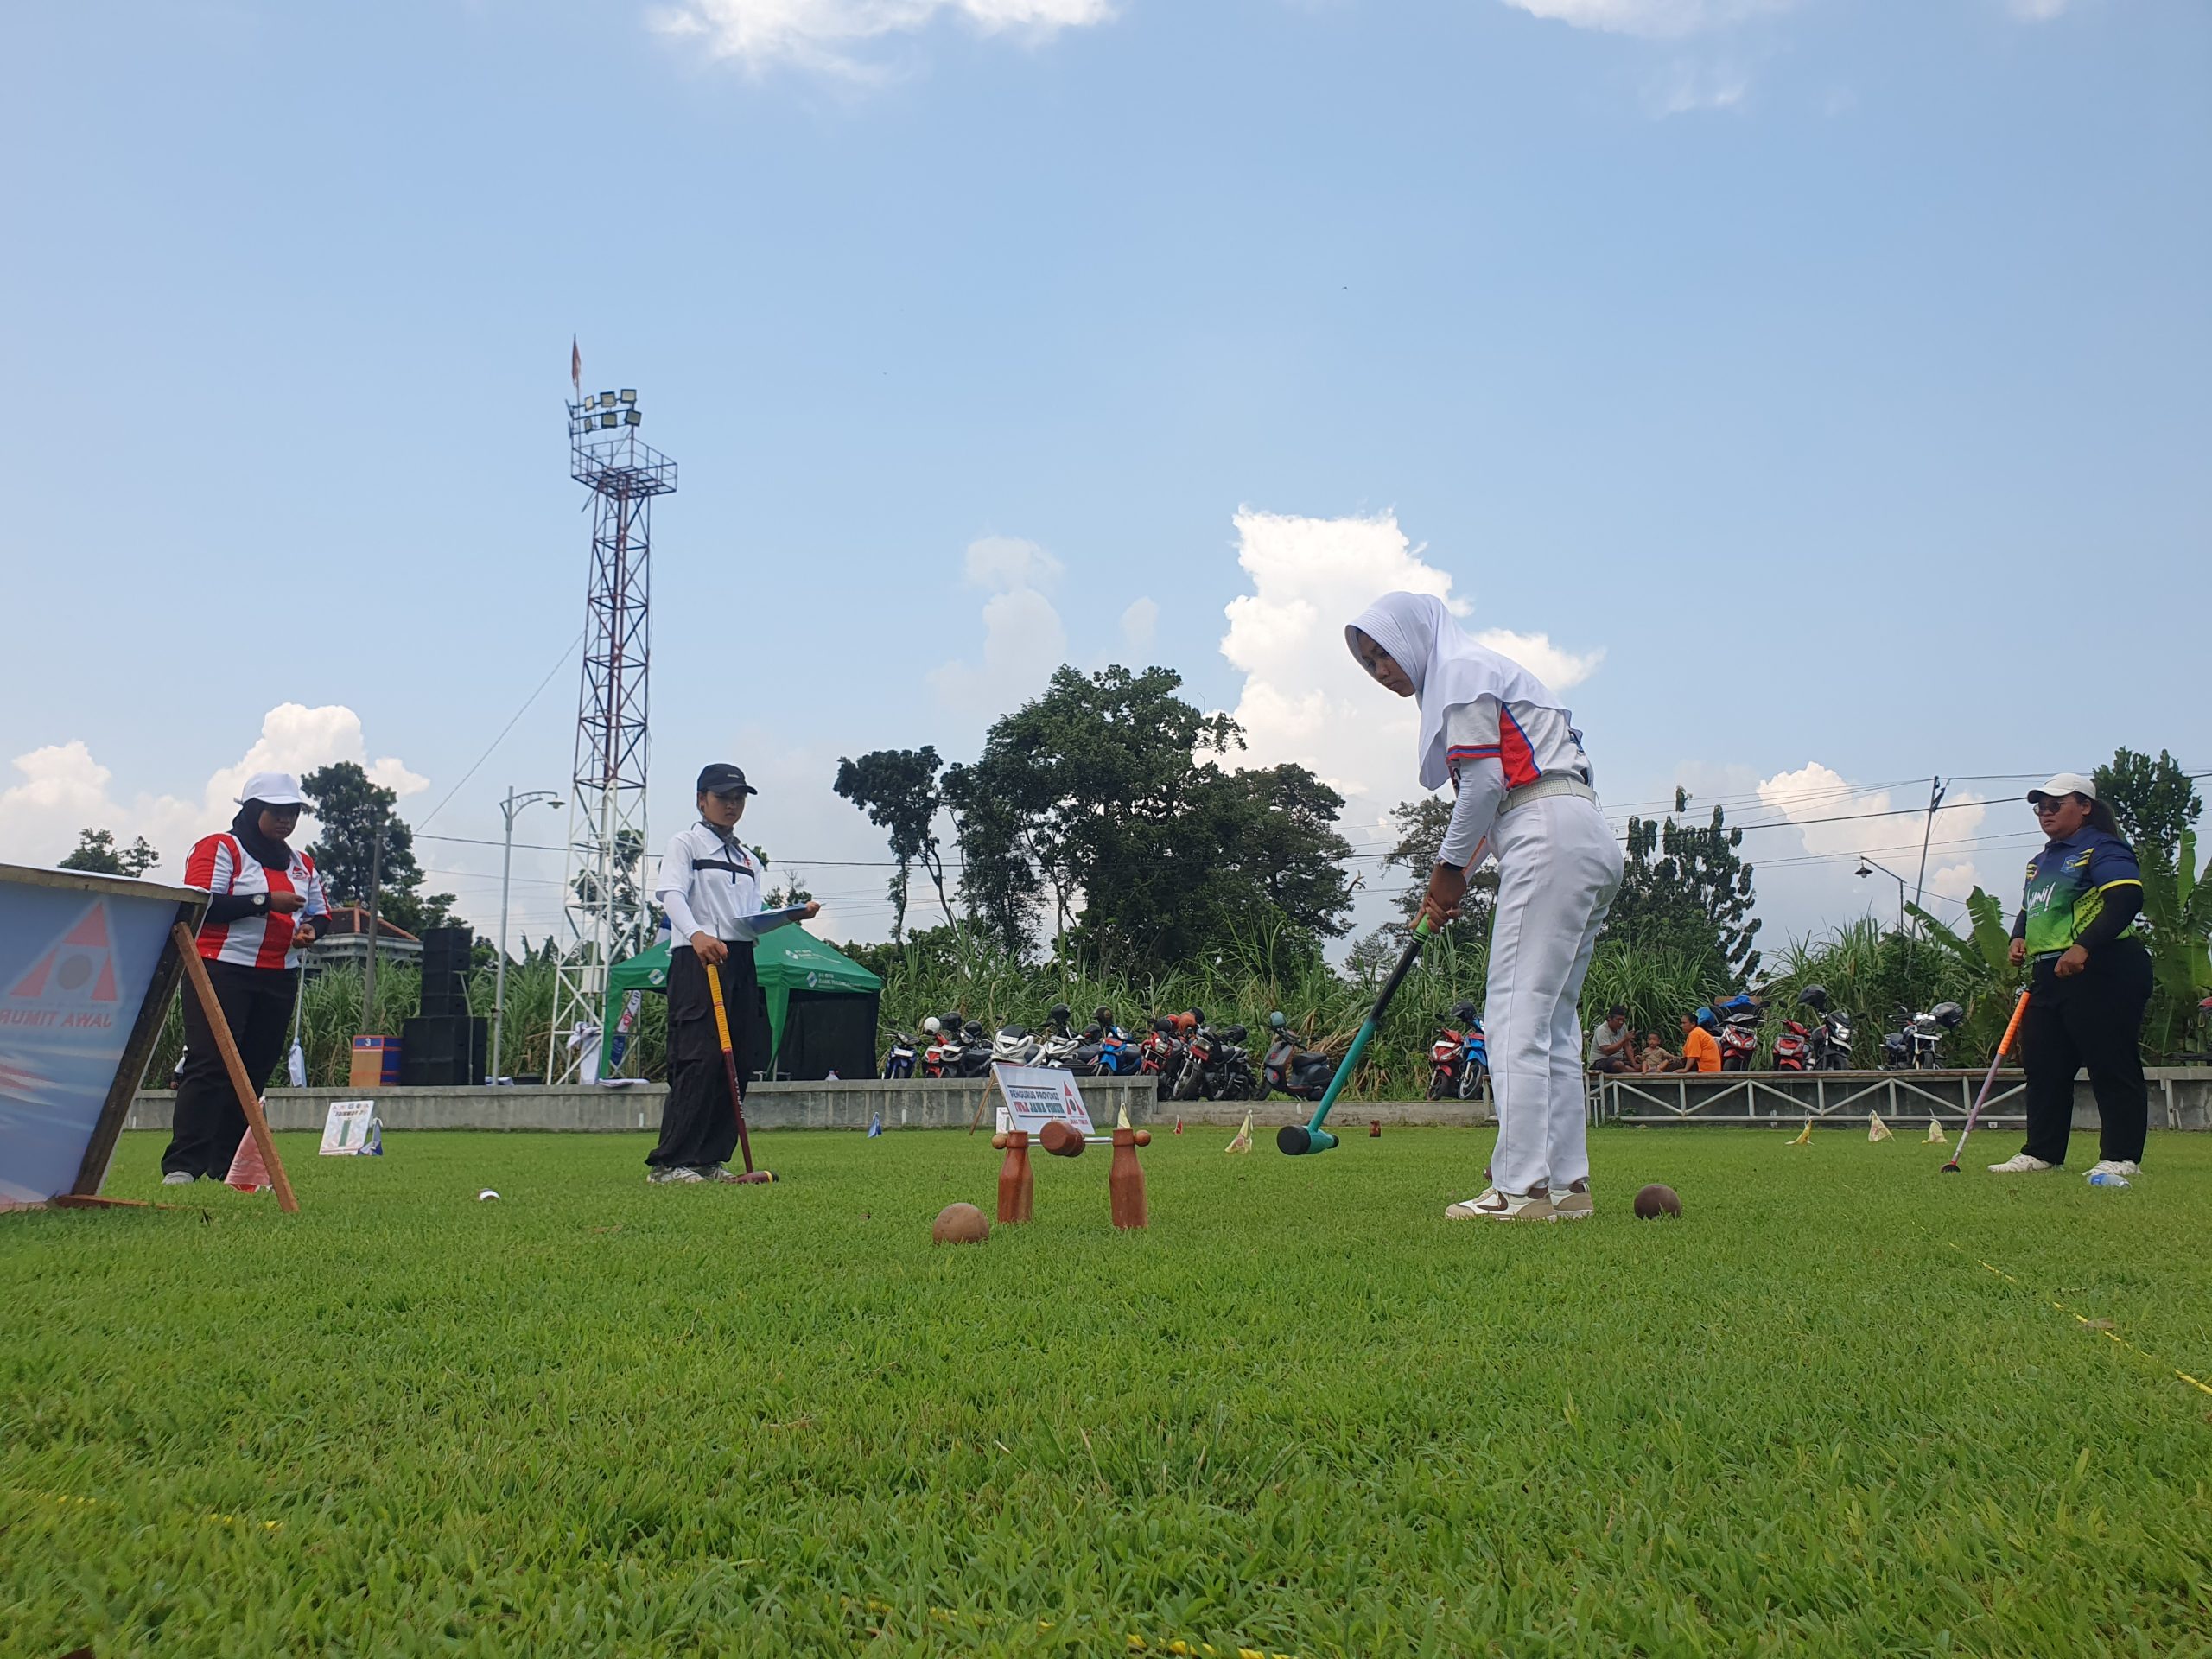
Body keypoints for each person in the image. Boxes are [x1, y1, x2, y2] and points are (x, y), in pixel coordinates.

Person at [1347, 591, 1624, 1222]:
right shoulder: (1492, 669)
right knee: (1553, 1022)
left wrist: (1446, 872)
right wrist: (1452, 879)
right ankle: (1565, 1186)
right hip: (1584, 832)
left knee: (1513, 1015)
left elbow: (1486, 785)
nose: (1380, 670)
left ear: (1414, 636)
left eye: (1383, 653)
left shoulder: (1462, 674)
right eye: (1368, 663)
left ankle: (1518, 1187)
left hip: (1545, 829)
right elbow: (1491, 800)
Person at [648, 764, 820, 1185]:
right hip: (697, 959)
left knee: (738, 1058)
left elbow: (748, 920)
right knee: (699, 1058)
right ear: (701, 799)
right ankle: (672, 1162)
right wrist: (696, 935)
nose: (731, 804)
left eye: (739, 797)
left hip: (739, 959)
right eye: (723, 796)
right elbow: (670, 894)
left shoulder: (749, 860)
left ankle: (709, 1159)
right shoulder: (685, 843)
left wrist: (791, 916)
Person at [162, 772, 331, 1185]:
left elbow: (320, 912)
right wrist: (264, 902)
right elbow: (201, 904)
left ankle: (226, 1165)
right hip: (220, 968)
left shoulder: (301, 862)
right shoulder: (220, 848)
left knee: (255, 1067)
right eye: (277, 812)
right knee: (211, 1062)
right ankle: (184, 1165)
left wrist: (311, 931)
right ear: (254, 811)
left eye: (293, 813)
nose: (286, 821)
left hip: (279, 975)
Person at [1987, 772, 2152, 1180]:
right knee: (2043, 1065)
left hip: (2105, 965)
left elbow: (2126, 897)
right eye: (2040, 806)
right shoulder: (2039, 861)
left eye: (2055, 804)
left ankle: (2121, 1156)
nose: (2045, 813)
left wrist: (2085, 946)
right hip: (2049, 972)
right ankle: (2042, 1152)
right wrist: (2018, 937)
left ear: (2084, 807)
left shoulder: (2101, 846)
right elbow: (2031, 909)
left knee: (2110, 1061)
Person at [1665, 1010, 1721, 1074]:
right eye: (1681, 1023)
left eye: (1684, 1023)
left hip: (1705, 1068)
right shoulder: (1696, 1032)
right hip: (1707, 1067)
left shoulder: (1695, 1033)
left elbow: (1693, 1055)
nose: (1681, 1025)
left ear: (1693, 1024)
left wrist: (1685, 1069)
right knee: (1671, 1061)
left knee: (1669, 1063)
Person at [1587, 1005, 1634, 1073]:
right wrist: (1624, 1039)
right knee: (1618, 1065)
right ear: (1609, 1018)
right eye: (1618, 1020)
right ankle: (1633, 1071)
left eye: (1623, 1020)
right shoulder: (1602, 1030)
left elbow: (1627, 1046)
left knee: (1640, 1062)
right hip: (1600, 1062)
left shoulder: (1623, 1027)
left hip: (1618, 1060)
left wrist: (1634, 1064)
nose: (1621, 1023)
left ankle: (1633, 1069)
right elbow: (1607, 1051)